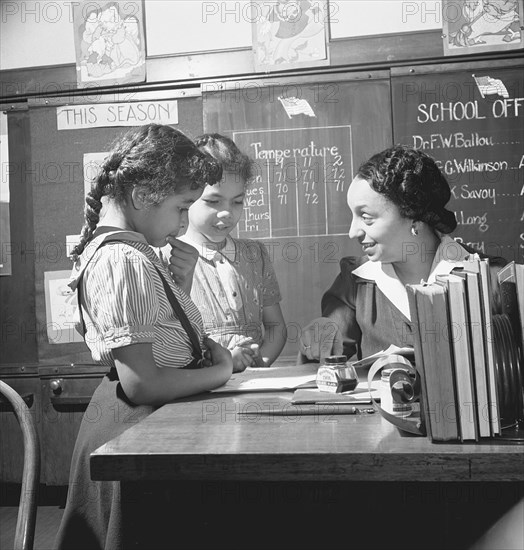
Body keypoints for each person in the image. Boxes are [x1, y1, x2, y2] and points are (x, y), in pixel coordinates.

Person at [55, 124, 233, 550]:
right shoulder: (122, 259)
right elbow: (142, 383)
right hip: (132, 430)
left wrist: (182, 284)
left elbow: (159, 338)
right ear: (140, 197)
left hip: (140, 428)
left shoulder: (133, 253)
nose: (183, 223)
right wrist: (220, 371)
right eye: (181, 207)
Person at [299, 144, 507, 363]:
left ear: (412, 216)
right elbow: (322, 364)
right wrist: (318, 337)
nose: (353, 232)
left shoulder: (491, 279)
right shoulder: (354, 283)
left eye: (367, 217)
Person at [161, 133, 287, 371]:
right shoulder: (167, 257)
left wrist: (259, 364)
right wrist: (225, 362)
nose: (226, 212)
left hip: (251, 389)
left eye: (237, 201)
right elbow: (168, 340)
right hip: (197, 392)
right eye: (213, 201)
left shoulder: (254, 254)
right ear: (188, 197)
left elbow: (276, 326)